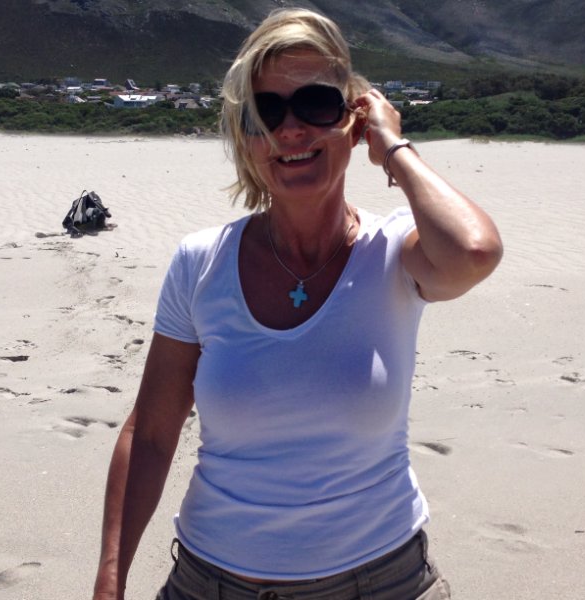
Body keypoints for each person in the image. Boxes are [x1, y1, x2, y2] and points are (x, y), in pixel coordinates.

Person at [93, 8, 502, 600]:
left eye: (316, 104)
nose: (290, 130)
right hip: (209, 584)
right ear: (245, 136)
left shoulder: (396, 253)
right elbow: (152, 434)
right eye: (265, 112)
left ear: (353, 119)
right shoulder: (201, 263)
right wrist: (110, 581)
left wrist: (392, 145)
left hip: (379, 583)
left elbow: (474, 251)